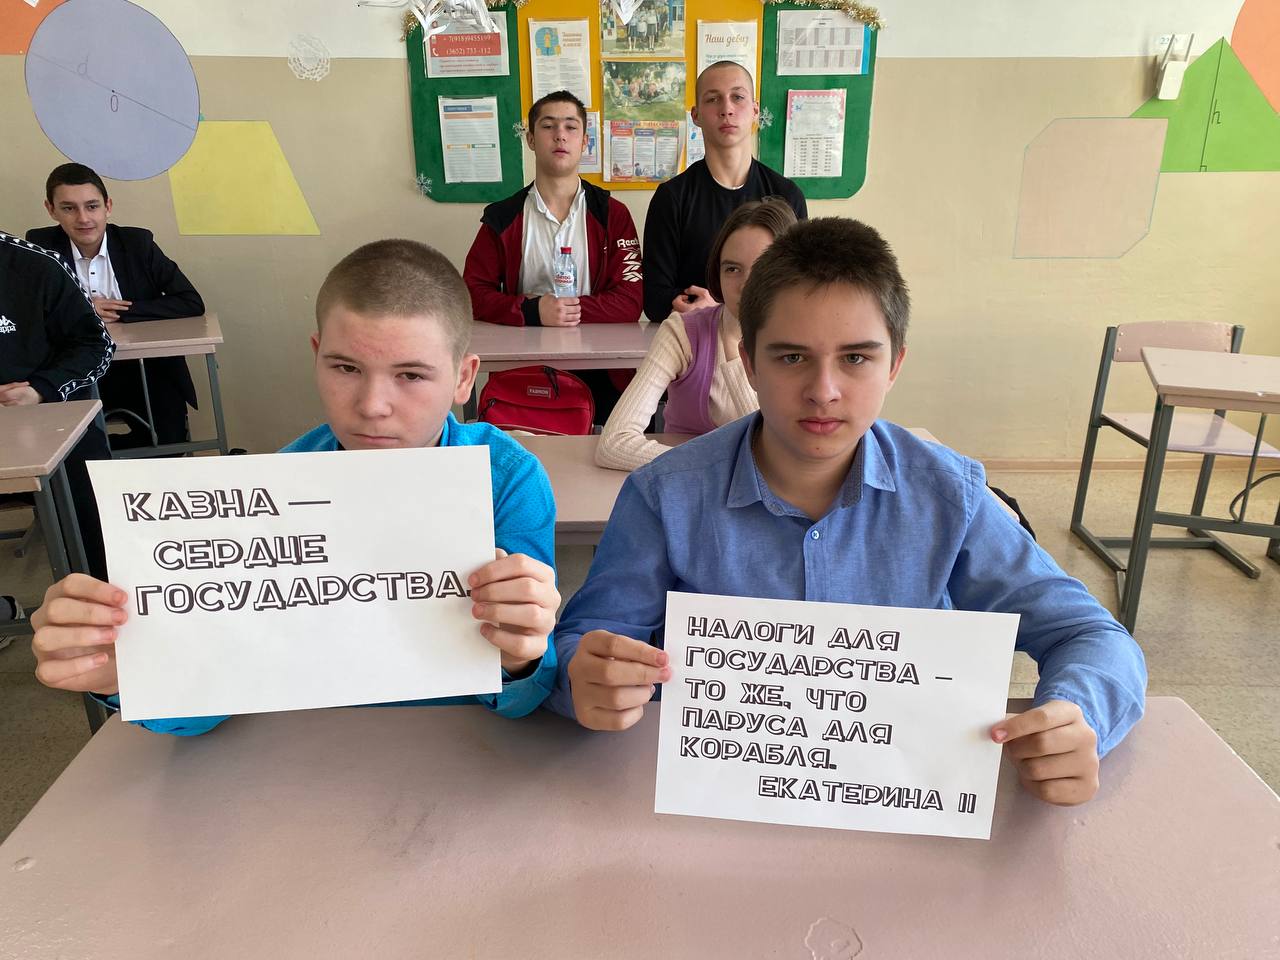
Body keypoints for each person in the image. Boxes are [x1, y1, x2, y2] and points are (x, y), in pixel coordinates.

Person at [549, 217, 1147, 807]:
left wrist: (1078, 716)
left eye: (856, 358)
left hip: (902, 810)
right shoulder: (665, 496)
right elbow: (584, 639)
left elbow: (1090, 635)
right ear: (749, 364)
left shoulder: (950, 498)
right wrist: (582, 676)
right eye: (791, 357)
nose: (824, 390)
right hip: (712, 804)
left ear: (895, 365)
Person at [29, 239, 562, 734]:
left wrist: (520, 656)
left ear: (464, 378)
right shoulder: (272, 494)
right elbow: (210, 700)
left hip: (461, 747)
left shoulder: (506, 480)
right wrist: (128, 674)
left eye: (411, 375)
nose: (373, 406)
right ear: (316, 355)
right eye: (346, 367)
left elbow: (524, 694)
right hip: (305, 748)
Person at [463, 90, 644, 423]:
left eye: (571, 127)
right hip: (523, 370)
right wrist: (532, 311)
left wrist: (565, 310)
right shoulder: (502, 217)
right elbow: (472, 293)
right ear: (531, 139)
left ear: (584, 141)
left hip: (602, 370)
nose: (560, 135)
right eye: (548, 126)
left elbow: (631, 300)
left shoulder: (612, 214)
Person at [596, 199, 797, 470]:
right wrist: (711, 468)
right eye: (732, 269)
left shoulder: (808, 343)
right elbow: (614, 444)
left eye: (762, 268)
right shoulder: (683, 331)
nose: (745, 286)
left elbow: (775, 456)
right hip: (687, 487)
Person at [27, 163, 205, 450]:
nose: (83, 218)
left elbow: (190, 301)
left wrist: (121, 312)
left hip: (145, 368)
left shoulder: (137, 242)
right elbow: (29, 316)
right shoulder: (40, 247)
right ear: (51, 210)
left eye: (92, 206)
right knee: (69, 446)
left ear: (108, 206)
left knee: (167, 440)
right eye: (69, 208)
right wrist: (85, 310)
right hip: (76, 370)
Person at [643, 61, 807, 323]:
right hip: (694, 340)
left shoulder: (786, 195)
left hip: (765, 340)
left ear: (754, 110)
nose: (726, 109)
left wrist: (720, 311)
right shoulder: (672, 197)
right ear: (696, 115)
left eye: (737, 97)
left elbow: (800, 289)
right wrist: (709, 317)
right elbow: (655, 300)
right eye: (713, 99)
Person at [0, 230, 114, 579]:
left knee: (90, 489)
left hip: (42, 417)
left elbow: (96, 344)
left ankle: (102, 586)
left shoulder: (36, 265)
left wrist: (41, 389)